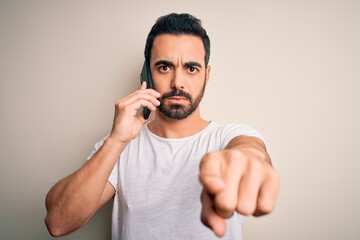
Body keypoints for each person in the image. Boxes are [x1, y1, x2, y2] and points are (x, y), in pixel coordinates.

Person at [45, 13, 279, 239]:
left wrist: (246, 160)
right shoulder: (121, 145)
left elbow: (249, 150)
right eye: (165, 67)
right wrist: (116, 141)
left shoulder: (229, 137)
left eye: (191, 68)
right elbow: (58, 222)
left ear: (206, 75)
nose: (178, 82)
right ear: (147, 72)